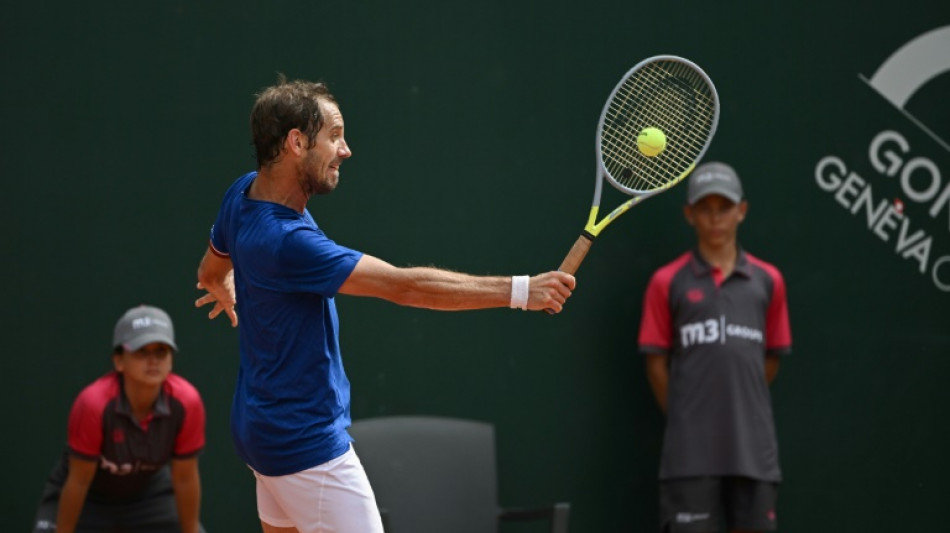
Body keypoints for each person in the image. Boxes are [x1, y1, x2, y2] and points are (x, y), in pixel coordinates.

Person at [193, 75, 576, 533]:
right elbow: (404, 286)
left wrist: (226, 284)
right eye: (334, 136)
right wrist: (522, 290)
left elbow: (209, 272)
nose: (346, 150)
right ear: (296, 142)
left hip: (259, 432)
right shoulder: (285, 242)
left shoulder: (242, 194)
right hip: (305, 445)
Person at [637, 161, 792, 533]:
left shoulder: (769, 280)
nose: (715, 218)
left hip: (753, 450)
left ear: (742, 211)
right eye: (705, 208)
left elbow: (770, 359)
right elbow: (656, 364)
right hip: (689, 453)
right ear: (689, 214)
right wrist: (687, 414)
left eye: (724, 207)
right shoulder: (666, 281)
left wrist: (737, 401)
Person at [32, 305, 206, 533]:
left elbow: (184, 478)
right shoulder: (93, 404)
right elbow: (78, 482)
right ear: (119, 361)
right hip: (87, 497)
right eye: (141, 351)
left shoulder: (187, 401)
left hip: (150, 497)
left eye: (161, 351)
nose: (153, 360)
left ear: (171, 360)